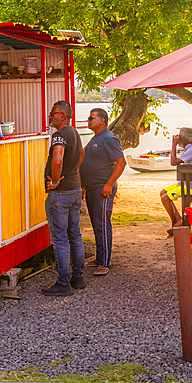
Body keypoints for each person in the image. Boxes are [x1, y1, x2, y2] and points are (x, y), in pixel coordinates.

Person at [42, 100, 85, 296]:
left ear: (62, 116)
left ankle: (63, 283)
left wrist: (56, 180)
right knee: (74, 234)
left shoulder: (59, 136)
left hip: (60, 193)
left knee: (60, 239)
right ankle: (78, 278)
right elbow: (82, 153)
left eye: (52, 113)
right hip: (75, 189)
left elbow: (57, 159)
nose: (50, 116)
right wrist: (73, 170)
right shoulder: (75, 133)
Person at [79, 107, 125, 276]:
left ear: (102, 121)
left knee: (102, 225)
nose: (88, 120)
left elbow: (121, 163)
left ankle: (104, 263)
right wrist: (84, 185)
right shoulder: (96, 138)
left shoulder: (109, 138)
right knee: (97, 225)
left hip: (102, 188)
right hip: (92, 188)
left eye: (91, 118)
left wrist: (109, 184)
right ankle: (100, 258)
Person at [159, 127, 192, 228]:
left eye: (179, 136)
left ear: (183, 139)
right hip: (187, 184)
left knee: (165, 199)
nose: (177, 137)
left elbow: (173, 162)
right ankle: (178, 219)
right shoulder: (191, 149)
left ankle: (175, 223)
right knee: (163, 192)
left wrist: (174, 145)